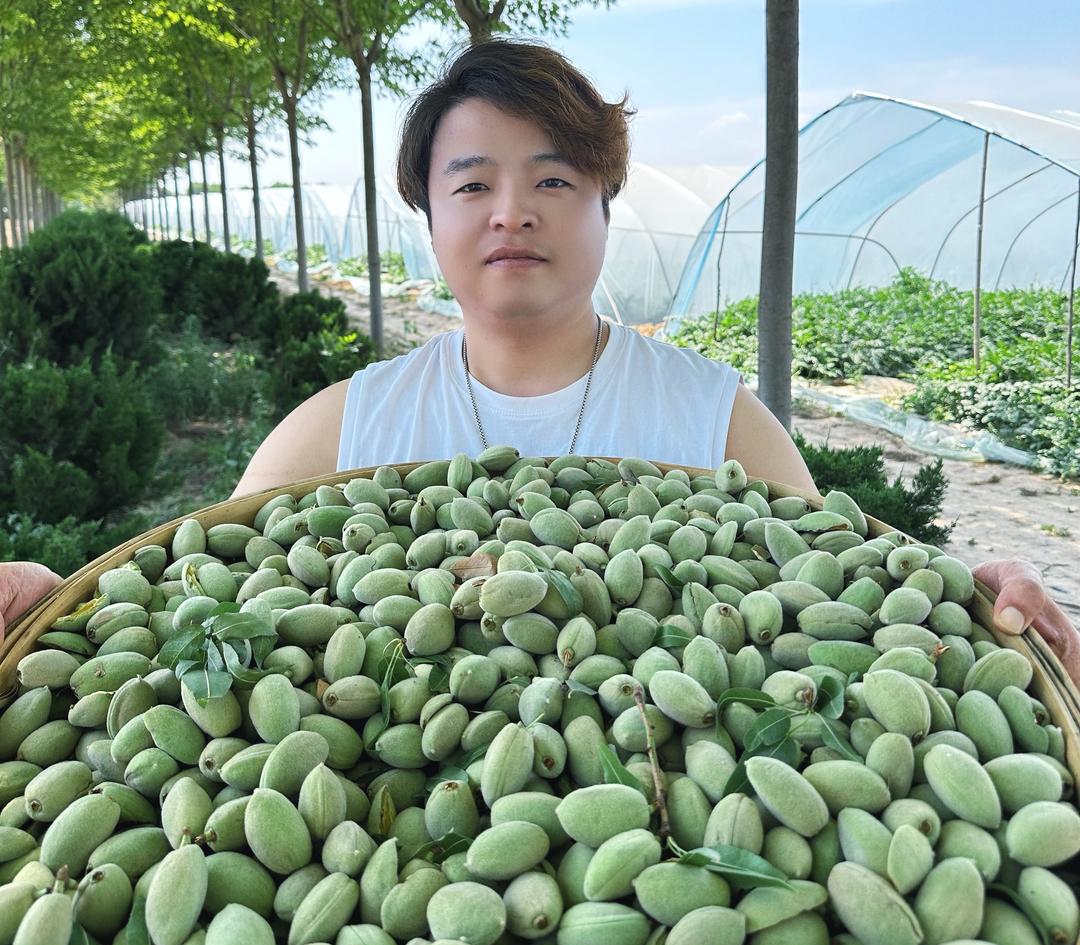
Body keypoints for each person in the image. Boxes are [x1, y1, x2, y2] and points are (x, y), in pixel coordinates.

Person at [2, 38, 1078, 686]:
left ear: (608, 207)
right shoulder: (332, 433)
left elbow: (847, 592)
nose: (512, 212)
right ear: (427, 217)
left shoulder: (721, 423)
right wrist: (61, 608)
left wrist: (963, 597)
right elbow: (192, 615)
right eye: (471, 184)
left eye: (555, 181)